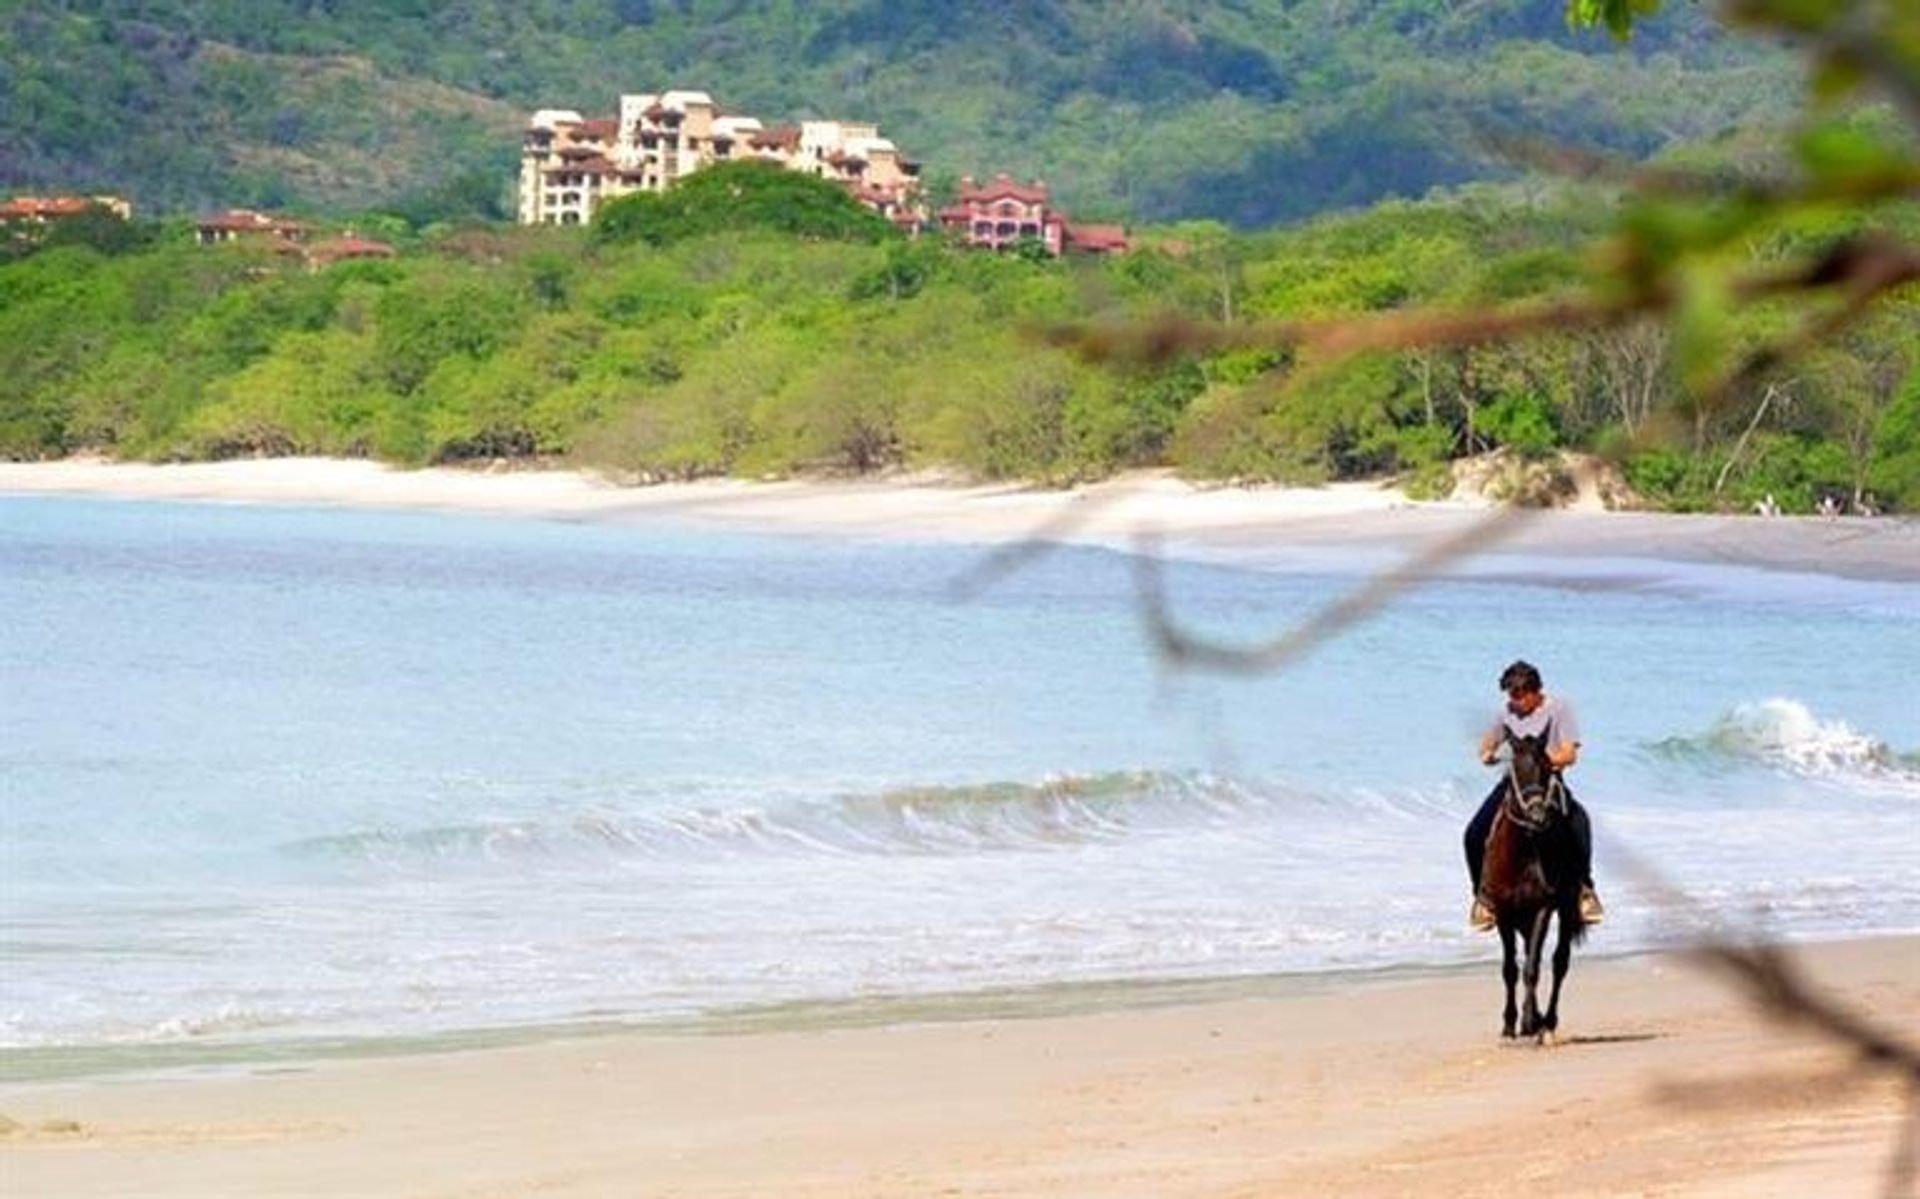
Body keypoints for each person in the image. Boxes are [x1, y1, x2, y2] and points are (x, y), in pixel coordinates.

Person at [1463, 660, 1604, 932]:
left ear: (1534, 691)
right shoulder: (1507, 713)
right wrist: (1487, 753)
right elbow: (1487, 744)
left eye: (1517, 696)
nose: (1513, 701)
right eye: (1510, 696)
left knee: (1579, 823)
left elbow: (1569, 753)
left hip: (1546, 780)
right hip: (1514, 783)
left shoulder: (1559, 709)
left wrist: (1539, 761)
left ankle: (1585, 890)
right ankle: (1483, 900)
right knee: (1473, 833)